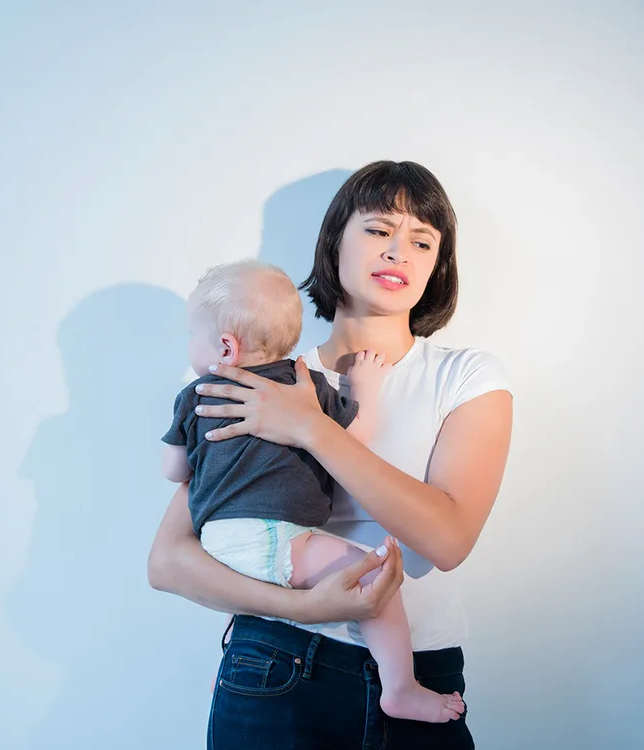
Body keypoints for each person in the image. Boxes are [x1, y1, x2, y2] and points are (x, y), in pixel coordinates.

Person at [148, 160, 514, 749]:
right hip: (275, 662)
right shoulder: (258, 376)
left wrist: (314, 430)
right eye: (378, 230)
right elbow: (168, 562)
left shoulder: (466, 377)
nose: (399, 251)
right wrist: (306, 608)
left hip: (422, 673)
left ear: (437, 266)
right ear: (333, 241)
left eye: (422, 241)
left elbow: (447, 541)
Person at [160, 259, 465, 723]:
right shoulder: (304, 385)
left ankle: (235, 667)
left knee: (269, 577)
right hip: (273, 537)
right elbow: (353, 438)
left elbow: (174, 469)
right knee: (374, 578)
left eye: (191, 336)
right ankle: (400, 686)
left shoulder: (196, 394)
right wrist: (364, 386)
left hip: (220, 542)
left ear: (225, 345)